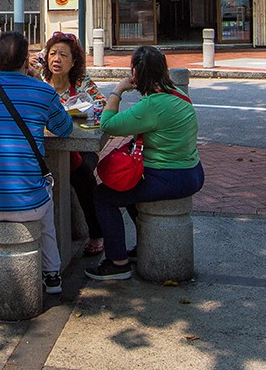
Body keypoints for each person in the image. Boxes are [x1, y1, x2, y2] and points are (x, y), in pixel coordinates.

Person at [0, 31, 73, 294]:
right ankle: (52, 275)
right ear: (27, 59)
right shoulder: (43, 91)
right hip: (28, 204)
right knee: (46, 214)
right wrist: (37, 85)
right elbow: (64, 128)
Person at [87, 45, 203, 281]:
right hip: (191, 172)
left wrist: (118, 90)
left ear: (136, 73)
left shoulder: (153, 105)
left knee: (102, 196)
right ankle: (142, 247)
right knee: (128, 191)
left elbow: (108, 124)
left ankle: (117, 262)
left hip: (170, 177)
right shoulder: (178, 95)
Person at [38, 31, 106, 256]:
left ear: (74, 61)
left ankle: (96, 232)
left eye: (63, 55)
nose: (56, 59)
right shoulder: (38, 80)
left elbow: (101, 106)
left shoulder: (81, 83)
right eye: (53, 54)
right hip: (43, 149)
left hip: (77, 148)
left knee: (84, 174)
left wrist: (73, 114)